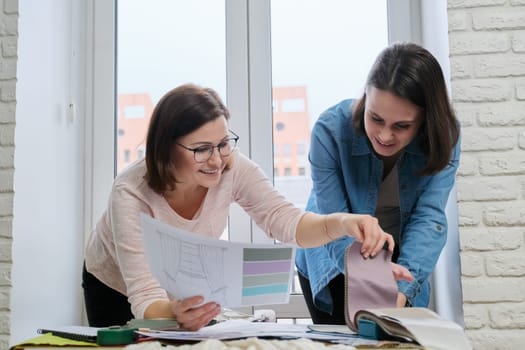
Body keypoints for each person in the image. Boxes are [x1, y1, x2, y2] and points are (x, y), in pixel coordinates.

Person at [82, 83, 412, 331]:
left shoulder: (231, 166)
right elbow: (144, 295)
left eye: (224, 143)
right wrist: (171, 311)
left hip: (180, 283)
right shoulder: (130, 192)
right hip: (116, 286)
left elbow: (287, 222)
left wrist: (343, 223)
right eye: (201, 149)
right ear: (166, 149)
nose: (216, 160)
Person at [295, 42, 461, 324]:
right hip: (336, 255)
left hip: (401, 263)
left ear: (424, 121)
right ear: (365, 98)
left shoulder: (443, 140)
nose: (384, 135)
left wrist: (400, 288)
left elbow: (428, 218)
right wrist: (370, 279)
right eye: (376, 118)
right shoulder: (330, 131)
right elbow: (331, 219)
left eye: (402, 126)